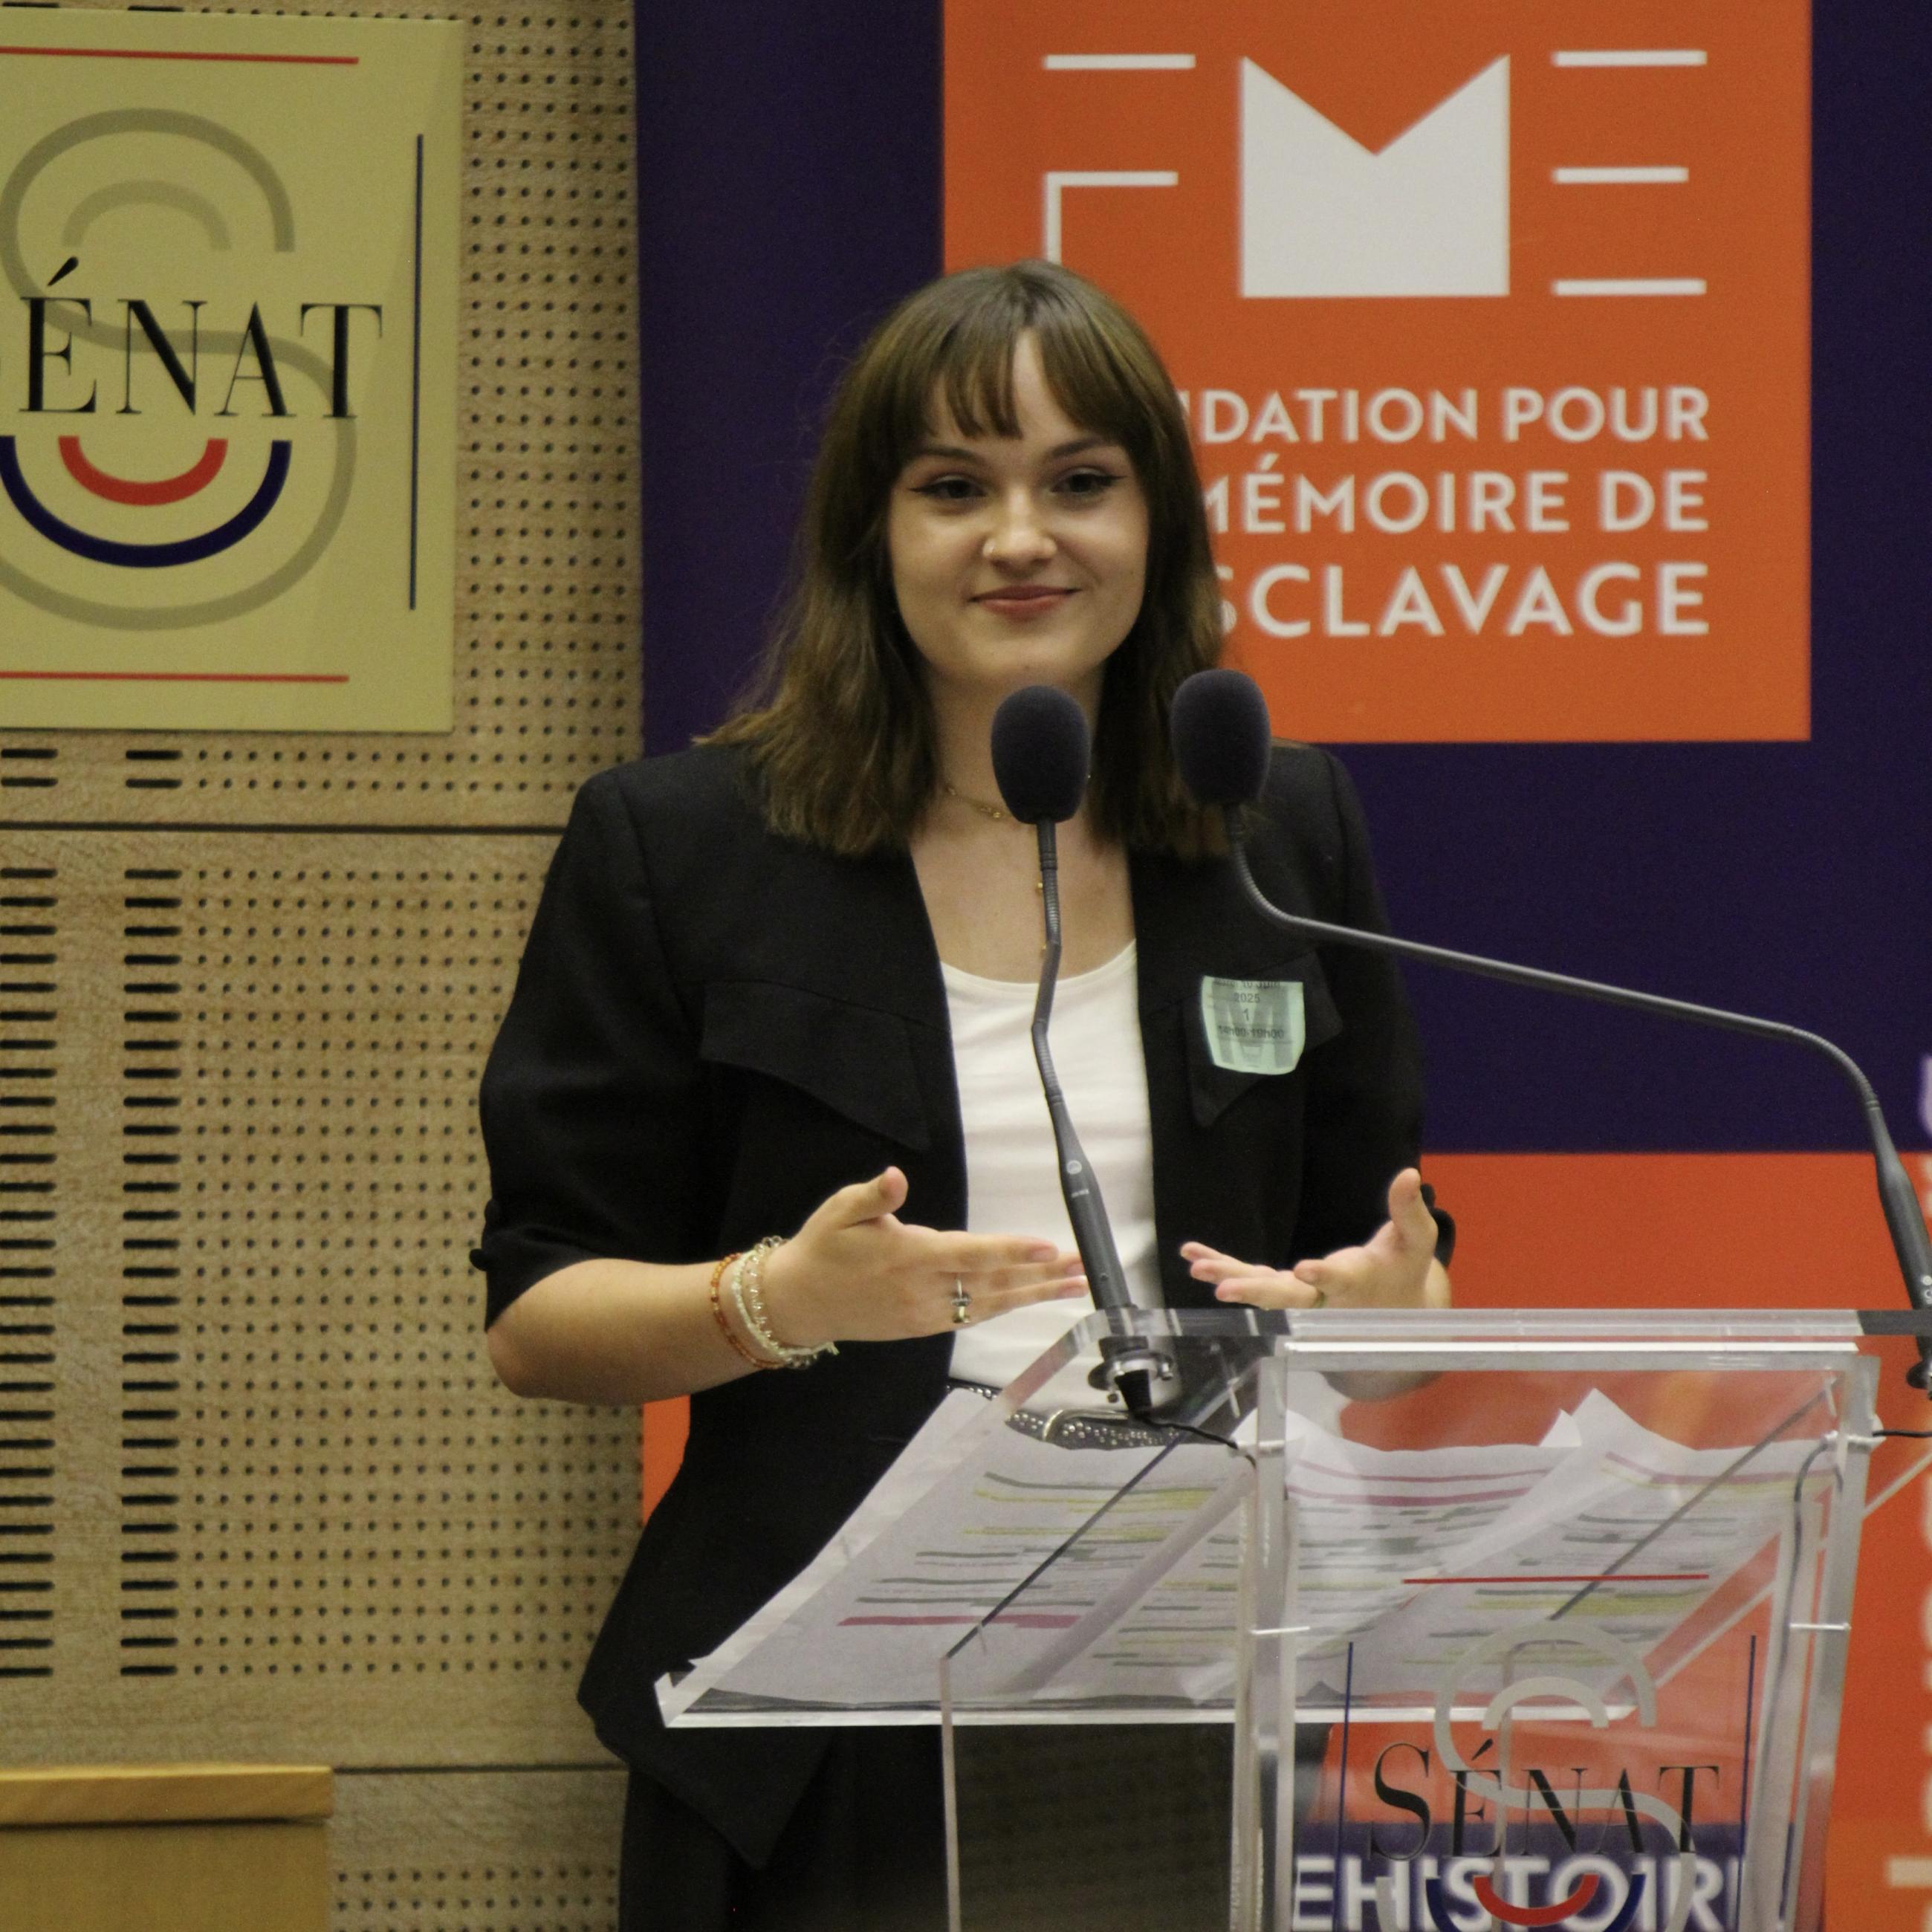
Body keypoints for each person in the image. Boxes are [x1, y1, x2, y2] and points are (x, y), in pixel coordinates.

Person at [473, 259, 1452, 1930]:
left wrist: (1389, 1310)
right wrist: (781, 1300)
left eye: (1079, 482)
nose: (1019, 537)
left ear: (1157, 524)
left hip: (1183, 1671)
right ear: (873, 532)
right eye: (952, 488)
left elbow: (1383, 1262)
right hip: (815, 1714)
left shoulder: (1278, 830)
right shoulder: (681, 847)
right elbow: (538, 1316)